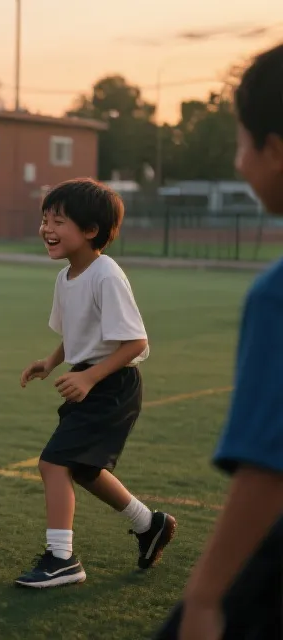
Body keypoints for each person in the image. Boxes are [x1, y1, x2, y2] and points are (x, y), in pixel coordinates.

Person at [154, 42, 283, 639]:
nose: (237, 163)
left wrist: (206, 597)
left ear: (275, 150)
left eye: (239, 142)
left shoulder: (275, 296)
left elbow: (267, 471)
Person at [15, 178, 176, 588]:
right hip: (90, 380)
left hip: (112, 385)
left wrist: (89, 376)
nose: (47, 228)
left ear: (90, 231)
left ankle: (62, 559)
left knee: (53, 463)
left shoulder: (105, 274)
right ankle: (149, 524)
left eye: (59, 221)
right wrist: (50, 362)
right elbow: (76, 331)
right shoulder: (68, 276)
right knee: (85, 469)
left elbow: (136, 341)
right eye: (44, 219)